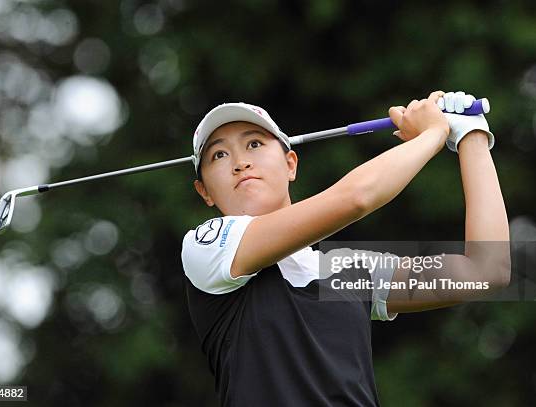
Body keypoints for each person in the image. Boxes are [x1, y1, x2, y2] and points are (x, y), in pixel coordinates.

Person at [181, 90, 511, 406]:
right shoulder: (206, 247)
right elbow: (356, 198)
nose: (240, 162)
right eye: (218, 155)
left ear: (291, 164)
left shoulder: (343, 272)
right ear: (204, 191)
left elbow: (486, 271)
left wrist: (472, 136)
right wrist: (433, 133)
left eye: (254, 143)